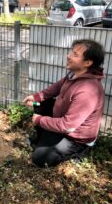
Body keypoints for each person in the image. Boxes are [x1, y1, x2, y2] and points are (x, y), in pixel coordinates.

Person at [23, 39, 105, 167]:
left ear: (88, 63)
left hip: (76, 137)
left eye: (75, 55)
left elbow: (68, 126)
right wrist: (36, 97)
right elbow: (56, 87)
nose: (68, 56)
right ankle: (42, 140)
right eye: (71, 52)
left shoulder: (87, 91)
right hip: (63, 121)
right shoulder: (75, 74)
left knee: (39, 159)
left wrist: (40, 120)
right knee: (41, 103)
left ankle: (79, 151)